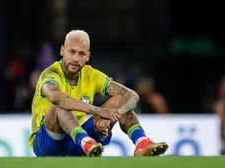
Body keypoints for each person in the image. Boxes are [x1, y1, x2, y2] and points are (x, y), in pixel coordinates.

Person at [28, 30, 168, 157]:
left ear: (88, 56)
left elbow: (132, 95)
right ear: (62, 51)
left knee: (120, 100)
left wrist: (113, 114)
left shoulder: (91, 75)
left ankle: (141, 143)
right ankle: (86, 143)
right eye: (72, 52)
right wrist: (99, 111)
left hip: (77, 140)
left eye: (82, 54)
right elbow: (55, 97)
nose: (76, 58)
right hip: (47, 143)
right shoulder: (51, 73)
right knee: (59, 104)